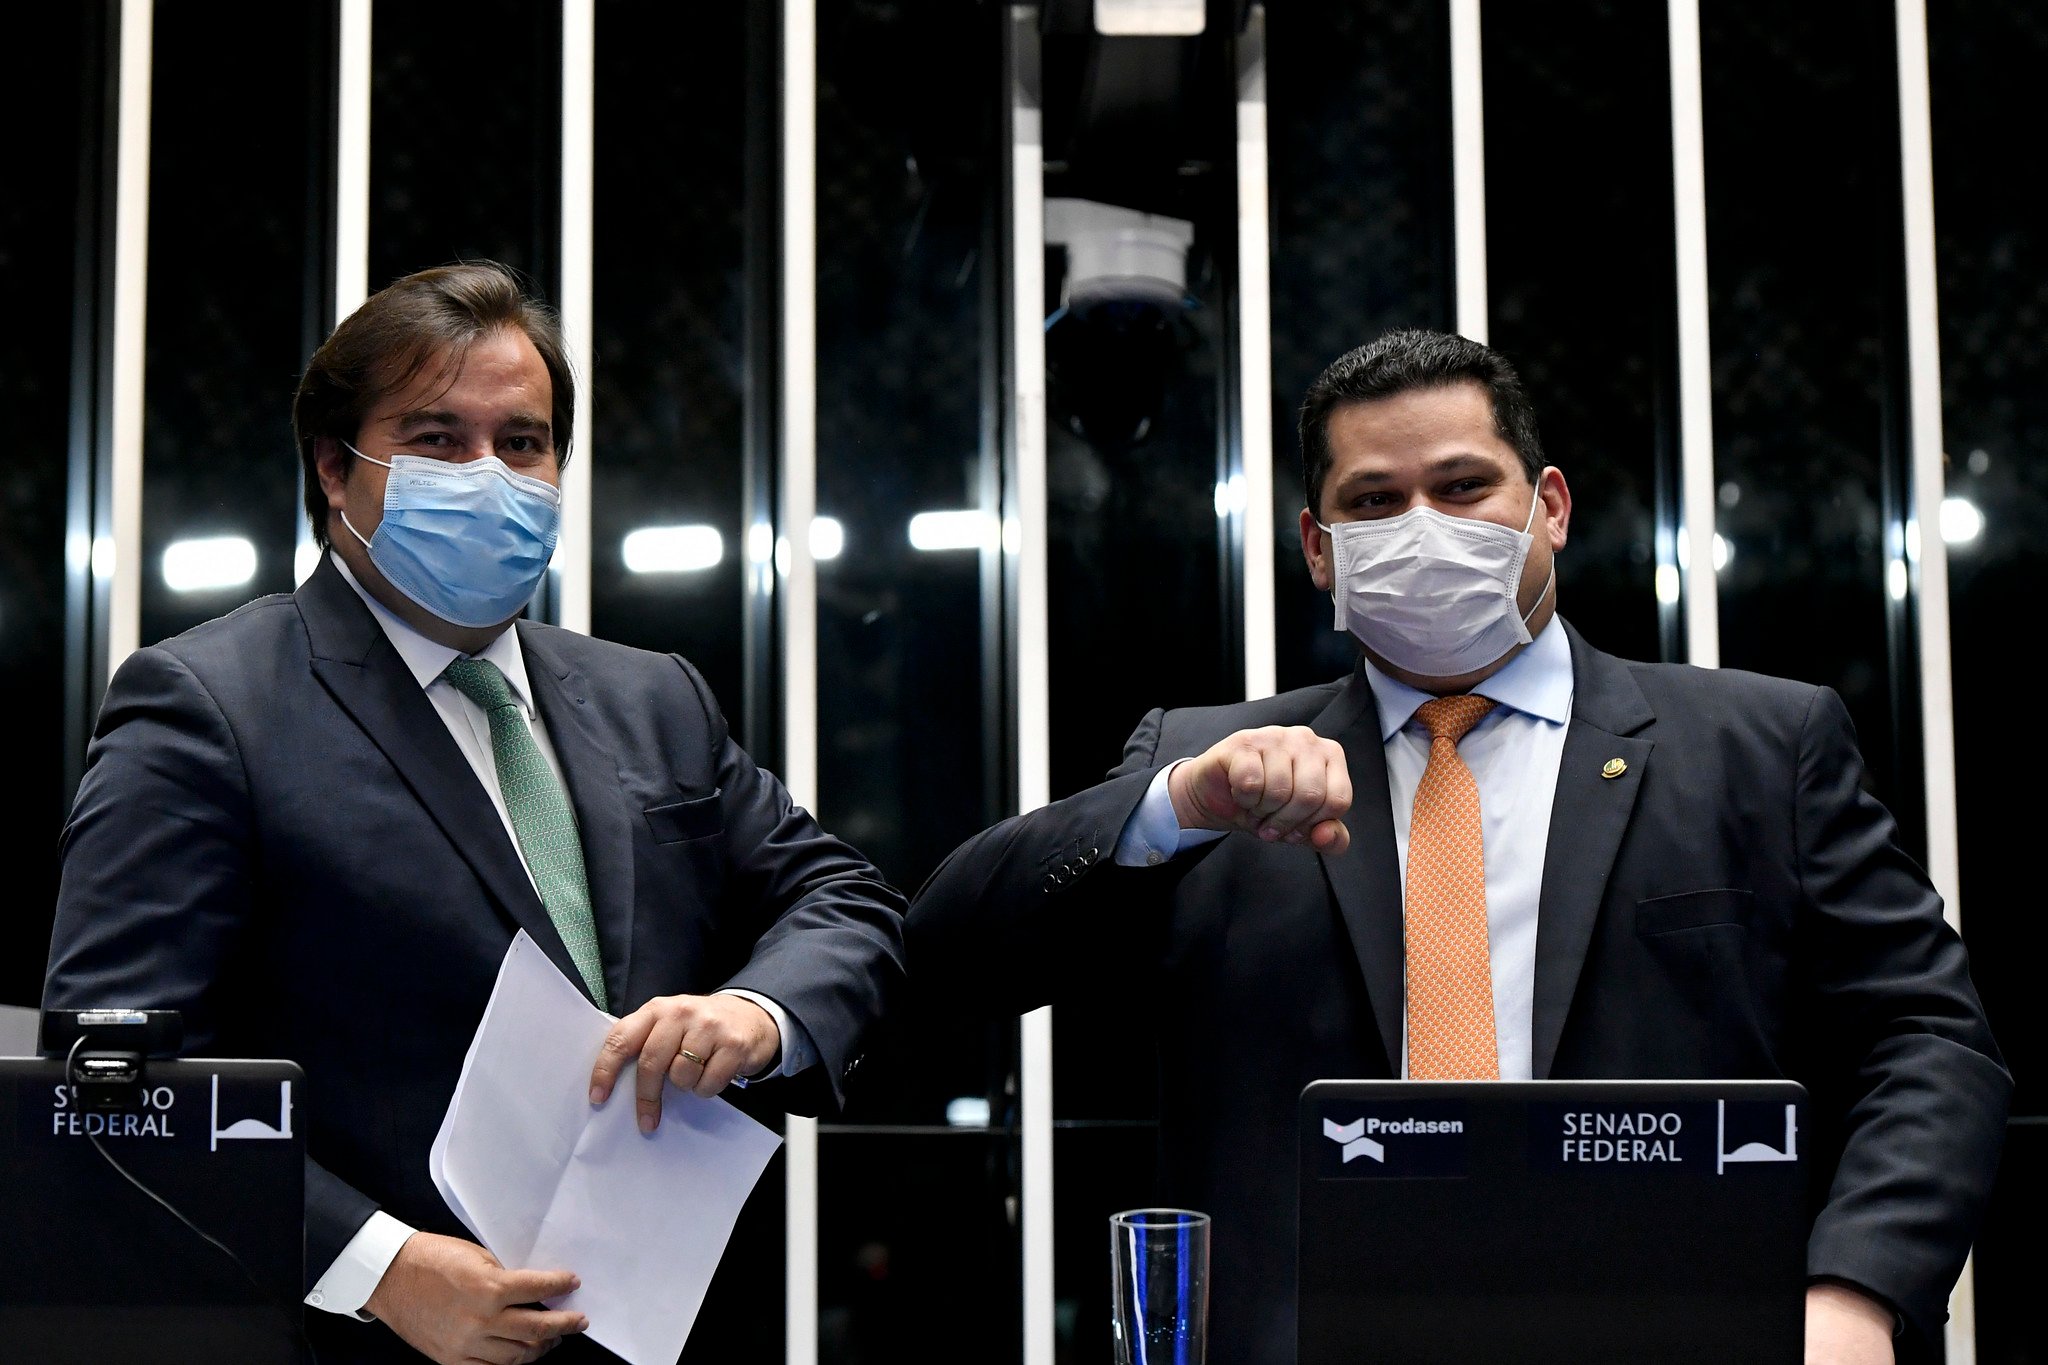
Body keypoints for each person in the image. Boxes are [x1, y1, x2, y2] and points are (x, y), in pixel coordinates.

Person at [905, 329, 2008, 1365]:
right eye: (1373, 502)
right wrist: (1174, 806)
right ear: (1317, 549)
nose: (1422, 526)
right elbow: (946, 957)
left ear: (1549, 506)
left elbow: (1928, 1043)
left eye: (1462, 486)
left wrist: (1854, 1292)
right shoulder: (1216, 768)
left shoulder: (1758, 748)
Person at [45, 263, 906, 1365]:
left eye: (523, 443)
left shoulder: (653, 699)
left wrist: (754, 1012)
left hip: (662, 1326)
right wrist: (376, 1269)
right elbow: (110, 1080)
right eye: (437, 439)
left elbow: (843, 899)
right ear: (333, 465)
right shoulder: (210, 705)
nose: (489, 475)